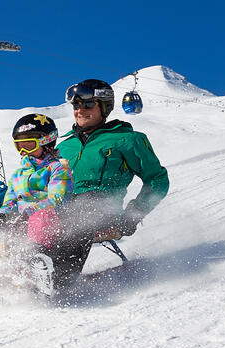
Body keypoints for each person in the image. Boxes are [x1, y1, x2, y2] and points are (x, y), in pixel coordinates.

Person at [51, 78, 169, 284]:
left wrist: (133, 214)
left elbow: (157, 179)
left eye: (87, 104)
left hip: (102, 211)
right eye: (76, 105)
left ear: (104, 107)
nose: (80, 110)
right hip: (63, 211)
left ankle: (59, 277)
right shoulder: (64, 147)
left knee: (83, 207)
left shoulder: (127, 139)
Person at [0, 113, 73, 251]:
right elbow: (10, 202)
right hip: (20, 223)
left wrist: (28, 213)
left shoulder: (57, 168)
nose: (24, 151)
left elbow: (57, 199)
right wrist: (5, 215)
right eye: (19, 146)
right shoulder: (17, 175)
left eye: (29, 145)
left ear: (46, 142)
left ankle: (36, 259)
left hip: (48, 223)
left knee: (40, 217)